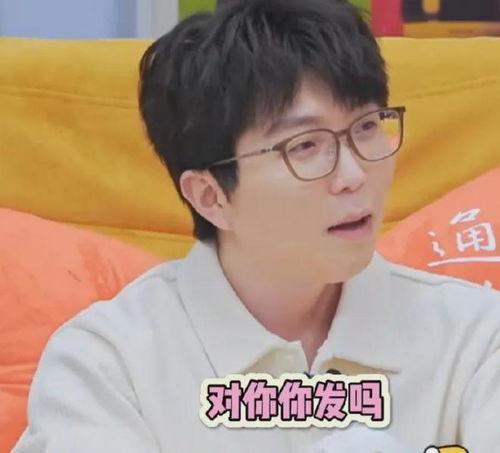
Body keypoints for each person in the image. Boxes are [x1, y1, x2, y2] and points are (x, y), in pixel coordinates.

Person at [13, 0, 500, 452]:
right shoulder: (108, 365)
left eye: (367, 127)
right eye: (305, 146)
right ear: (211, 197)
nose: (354, 175)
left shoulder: (475, 337)